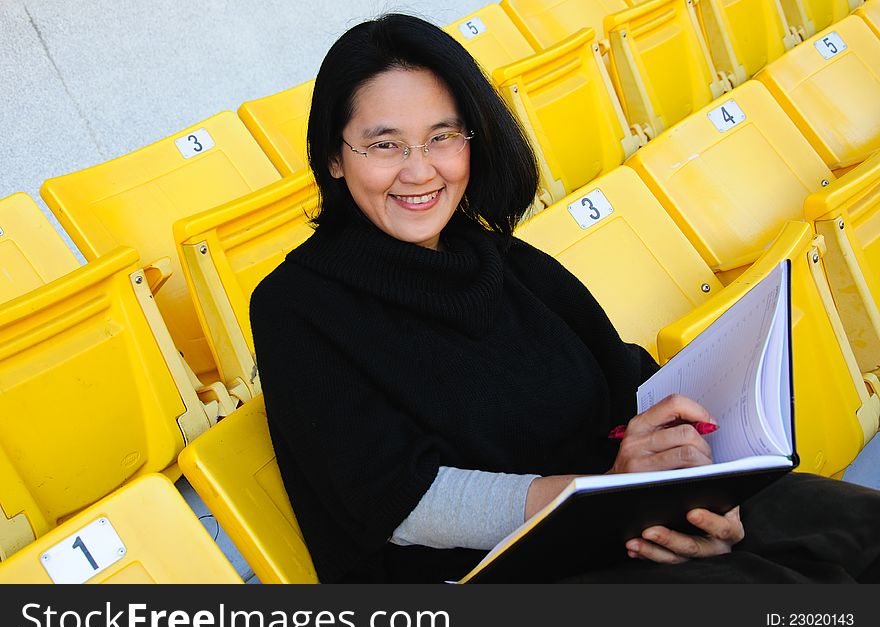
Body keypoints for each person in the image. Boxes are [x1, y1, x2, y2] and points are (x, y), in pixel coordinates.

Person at [249, 13, 880, 583]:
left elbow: (626, 375)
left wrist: (708, 489)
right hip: (497, 576)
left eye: (444, 136)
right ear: (334, 156)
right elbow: (408, 505)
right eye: (384, 144)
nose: (420, 170)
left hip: (620, 510)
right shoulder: (295, 307)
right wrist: (613, 493)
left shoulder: (500, 257)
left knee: (861, 529)